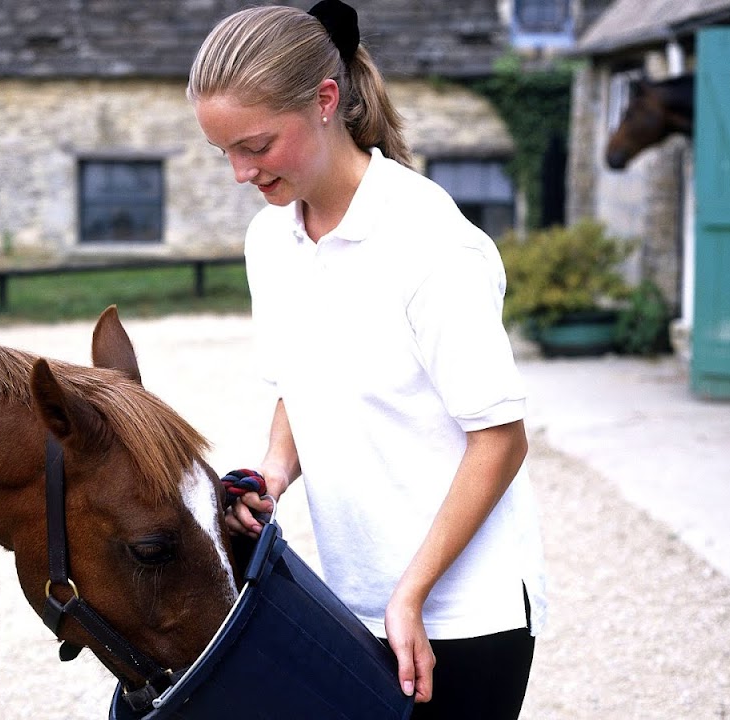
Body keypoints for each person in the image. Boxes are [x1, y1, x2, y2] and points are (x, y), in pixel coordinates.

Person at [189, 2, 546, 718]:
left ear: (326, 101)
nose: (238, 172)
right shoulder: (272, 240)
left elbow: (500, 440)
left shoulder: (432, 244)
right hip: (348, 600)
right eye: (223, 151)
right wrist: (272, 473)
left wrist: (409, 595)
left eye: (255, 145)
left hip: (461, 617)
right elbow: (299, 381)